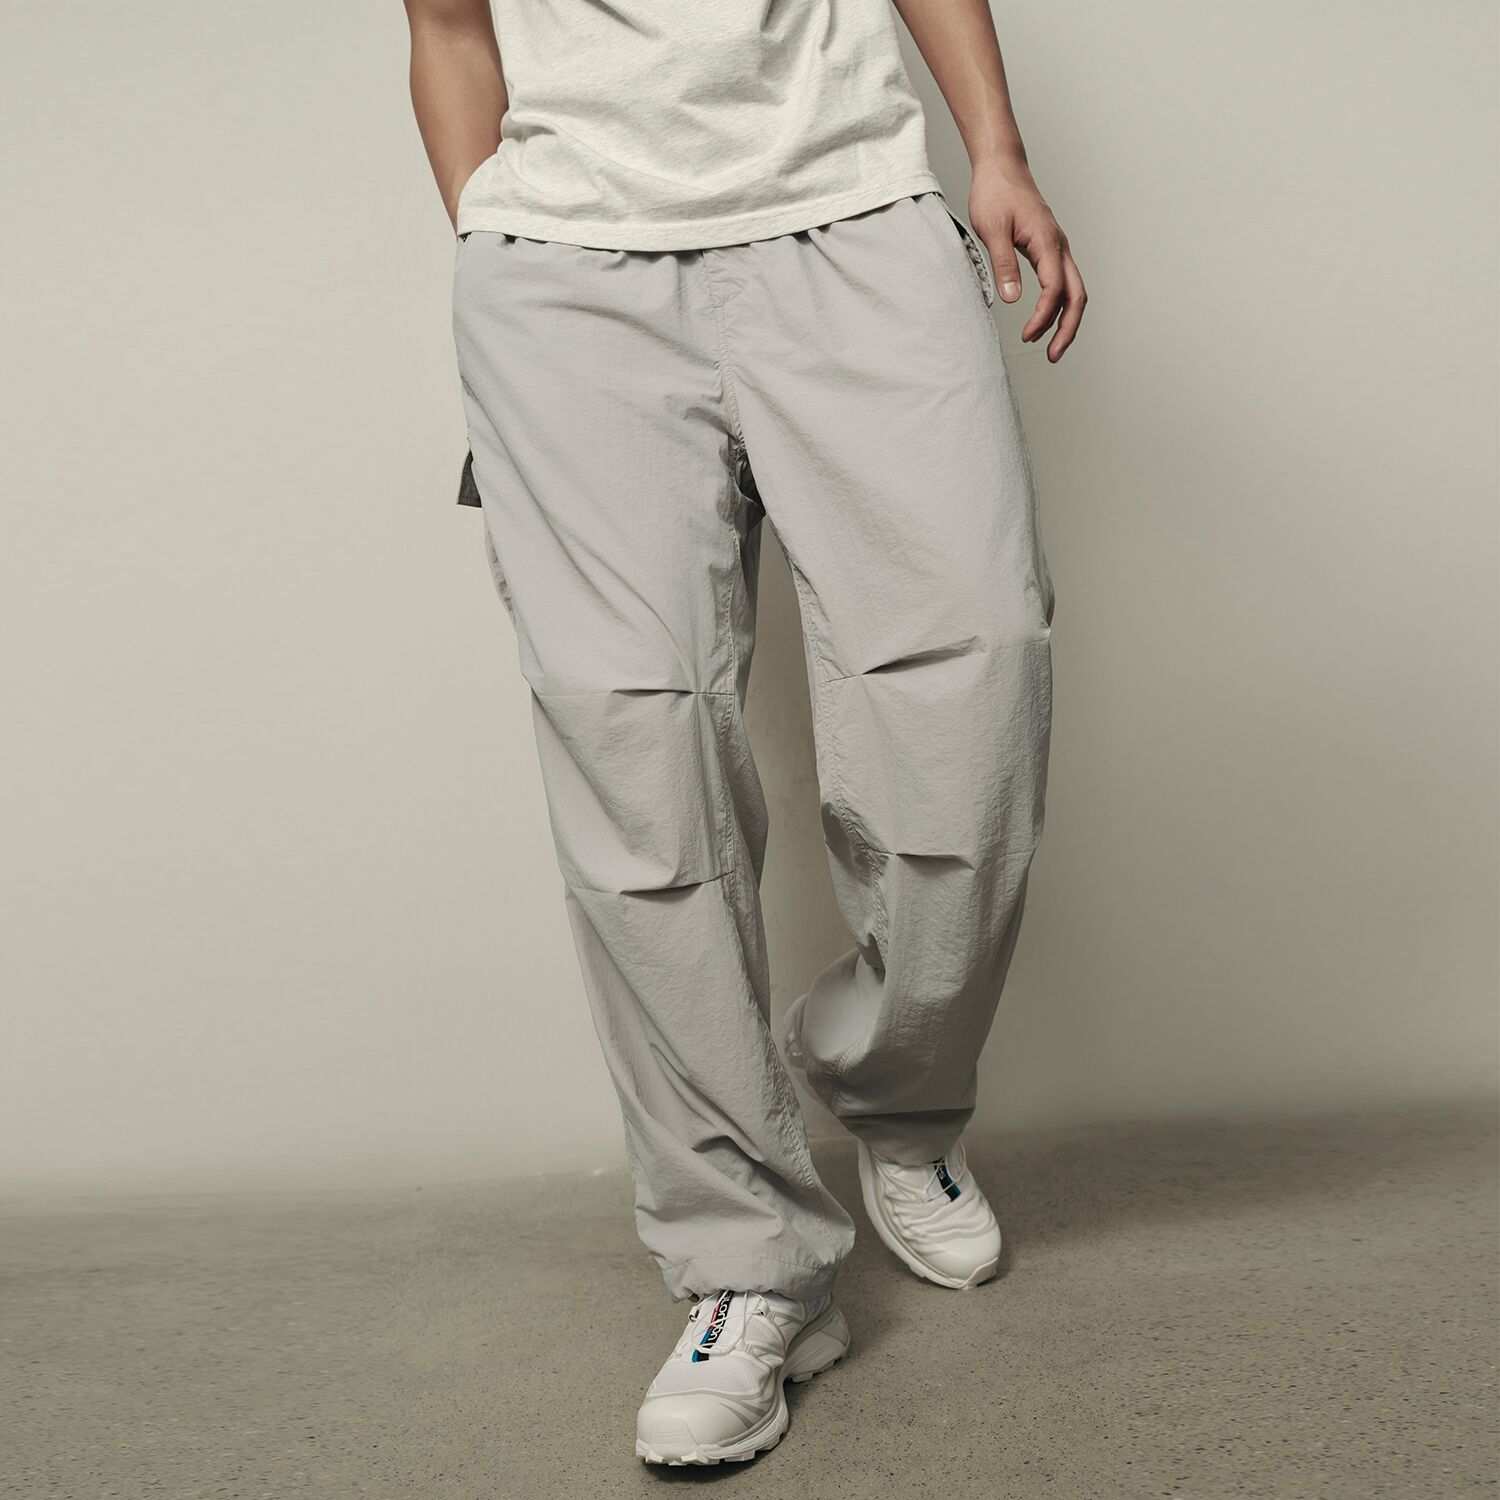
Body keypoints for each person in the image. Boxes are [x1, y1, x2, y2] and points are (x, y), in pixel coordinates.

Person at [402, 0, 1084, 1466]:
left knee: (974, 678)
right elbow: (451, 30)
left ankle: (900, 1093)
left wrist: (997, 148)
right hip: (564, 276)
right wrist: (496, 258)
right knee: (635, 761)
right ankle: (747, 1266)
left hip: (855, 216)